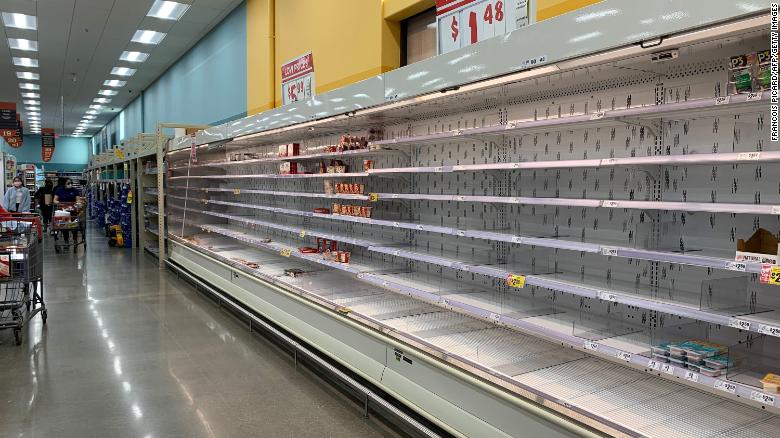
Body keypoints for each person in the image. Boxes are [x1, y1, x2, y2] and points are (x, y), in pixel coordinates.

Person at [53, 178, 81, 243]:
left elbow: (78, 199)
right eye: (68, 183)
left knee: (74, 225)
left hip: (73, 211)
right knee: (64, 225)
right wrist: (59, 203)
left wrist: (77, 204)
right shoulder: (59, 190)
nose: (70, 184)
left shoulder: (74, 190)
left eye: (71, 183)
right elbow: (55, 200)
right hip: (63, 211)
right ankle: (66, 240)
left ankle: (75, 239)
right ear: (64, 184)